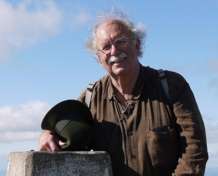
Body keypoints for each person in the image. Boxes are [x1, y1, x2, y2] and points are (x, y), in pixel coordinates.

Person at [39, 14, 208, 176]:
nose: (114, 51)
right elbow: (63, 126)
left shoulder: (171, 86)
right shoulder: (91, 97)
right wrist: (47, 134)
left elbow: (195, 149)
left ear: (137, 45)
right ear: (99, 58)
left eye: (121, 41)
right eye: (106, 47)